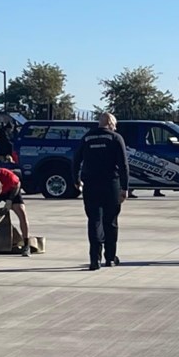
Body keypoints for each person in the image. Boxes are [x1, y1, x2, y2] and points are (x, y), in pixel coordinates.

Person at [73, 112, 130, 270]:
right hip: (111, 184)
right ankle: (110, 257)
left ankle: (94, 259)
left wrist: (76, 180)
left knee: (94, 220)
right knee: (110, 221)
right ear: (111, 124)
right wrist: (125, 187)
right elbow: (124, 165)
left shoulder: (86, 138)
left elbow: (76, 160)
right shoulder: (115, 138)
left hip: (91, 184)